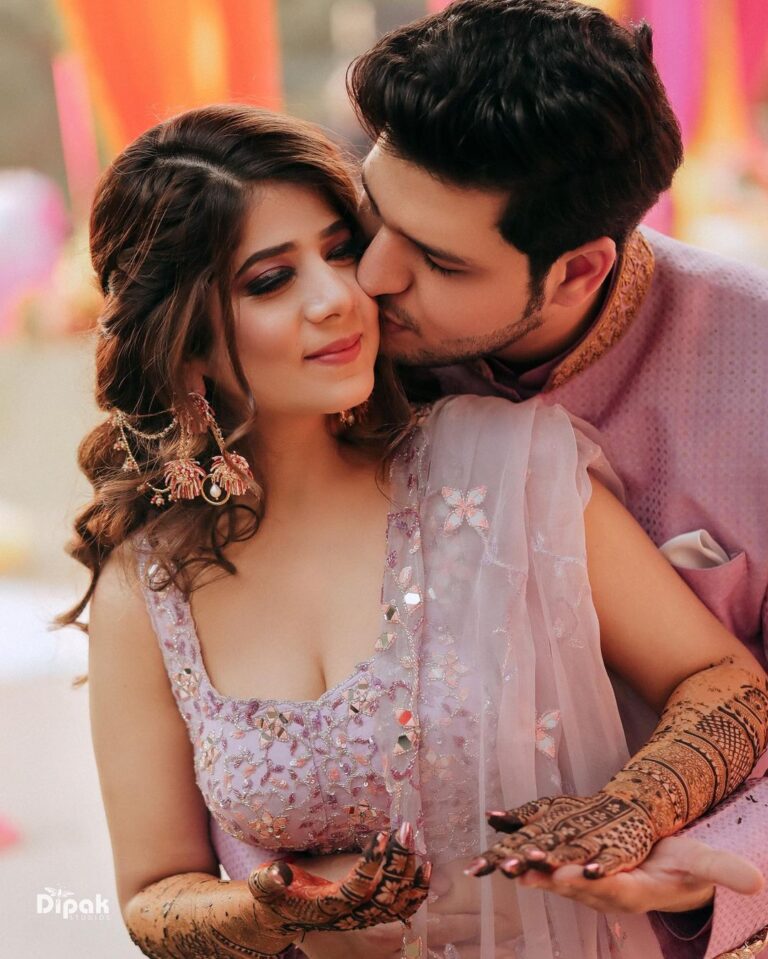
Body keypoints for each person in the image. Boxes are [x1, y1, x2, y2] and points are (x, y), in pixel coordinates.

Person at [62, 104, 768, 959]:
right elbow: (152, 890)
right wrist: (272, 909)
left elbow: (724, 678)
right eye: (268, 280)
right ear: (183, 343)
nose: (337, 298)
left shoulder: (506, 468)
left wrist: (628, 809)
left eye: (338, 250)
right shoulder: (149, 581)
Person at [342, 1, 768, 956]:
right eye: (375, 214)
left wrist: (702, 856)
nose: (369, 274)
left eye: (437, 261)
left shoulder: (761, 370)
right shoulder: (339, 359)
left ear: (578, 271)